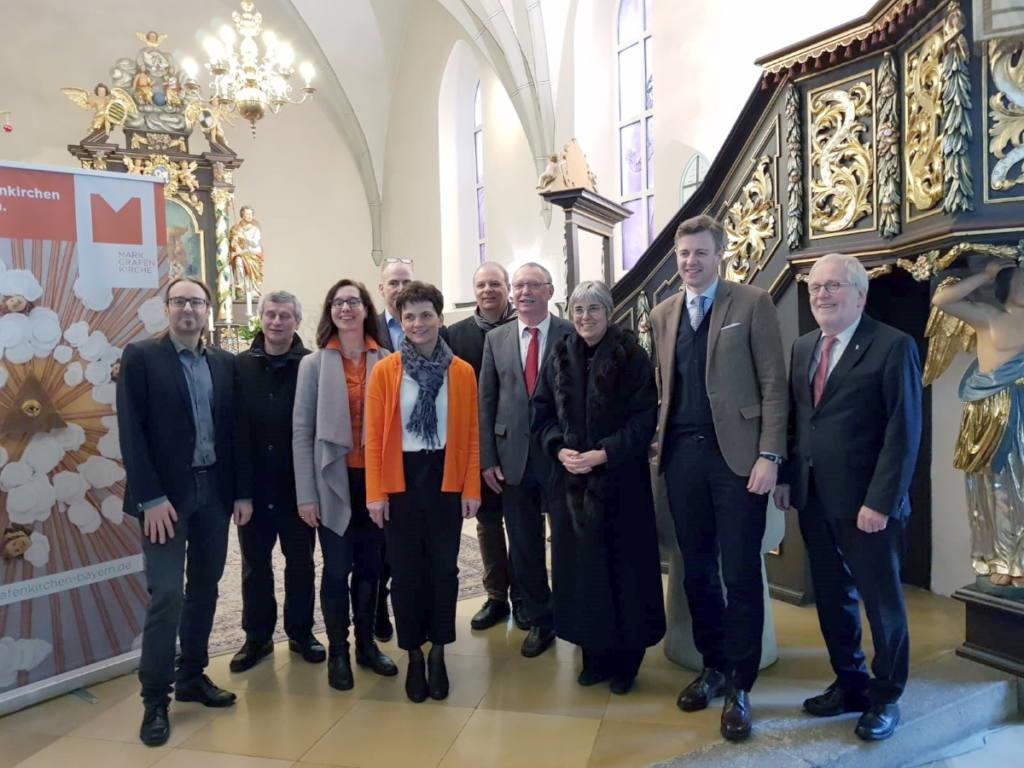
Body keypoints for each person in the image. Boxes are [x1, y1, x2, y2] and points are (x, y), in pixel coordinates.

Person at [649, 215, 787, 742]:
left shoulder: (751, 304)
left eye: (700, 253)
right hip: (682, 459)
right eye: (684, 254)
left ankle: (741, 686)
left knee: (741, 573)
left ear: (719, 255)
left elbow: (773, 385)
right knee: (697, 571)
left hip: (738, 462)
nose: (690, 262)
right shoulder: (662, 313)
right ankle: (713, 667)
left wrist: (770, 454)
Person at [774, 252, 922, 741]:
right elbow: (801, 423)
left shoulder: (892, 345)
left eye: (833, 285)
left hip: (869, 505)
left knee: (882, 605)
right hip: (814, 497)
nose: (821, 294)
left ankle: (886, 697)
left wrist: (881, 501)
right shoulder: (802, 347)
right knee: (833, 597)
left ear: (860, 294)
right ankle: (850, 682)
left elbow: (904, 432)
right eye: (816, 286)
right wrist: (786, 477)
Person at [117, 278, 244, 747]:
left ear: (208, 310)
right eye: (180, 301)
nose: (188, 309)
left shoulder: (225, 364)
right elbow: (132, 432)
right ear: (167, 309)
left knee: (207, 587)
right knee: (167, 592)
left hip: (214, 491)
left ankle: (192, 674)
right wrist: (150, 498)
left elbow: (234, 435)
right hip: (164, 500)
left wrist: (240, 493)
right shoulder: (141, 357)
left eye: (196, 301)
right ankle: (155, 699)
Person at [532, 280, 665, 695]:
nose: (585, 316)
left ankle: (627, 661)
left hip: (620, 483)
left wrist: (604, 454)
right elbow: (541, 412)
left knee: (623, 572)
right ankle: (593, 654)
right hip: (571, 486)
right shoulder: (558, 353)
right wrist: (558, 450)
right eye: (578, 309)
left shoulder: (631, 354)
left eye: (593, 308)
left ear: (609, 312)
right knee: (581, 575)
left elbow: (644, 419)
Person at [364, 281, 481, 702]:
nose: (417, 323)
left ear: (439, 317)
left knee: (444, 571)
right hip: (401, 479)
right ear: (399, 320)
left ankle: (439, 652)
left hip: (445, 476)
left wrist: (472, 487)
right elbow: (374, 437)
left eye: (425, 314)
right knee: (406, 571)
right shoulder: (385, 370)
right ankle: (413, 652)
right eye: (409, 316)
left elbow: (470, 435)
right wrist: (376, 494)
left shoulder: (462, 372)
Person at [292, 279, 399, 690]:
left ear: (366, 308)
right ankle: (339, 651)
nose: (346, 309)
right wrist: (305, 494)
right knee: (337, 569)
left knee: (371, 568)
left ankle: (366, 645)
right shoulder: (314, 364)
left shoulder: (388, 359)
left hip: (375, 481)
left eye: (353, 301)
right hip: (331, 480)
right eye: (338, 303)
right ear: (330, 311)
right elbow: (301, 433)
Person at [479, 262, 574, 657]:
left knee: (568, 540)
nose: (524, 292)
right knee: (523, 542)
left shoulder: (570, 332)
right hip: (512, 456)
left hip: (560, 456)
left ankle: (573, 615)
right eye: (518, 286)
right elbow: (486, 400)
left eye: (534, 285)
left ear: (550, 291)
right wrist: (487, 458)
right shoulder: (497, 339)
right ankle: (539, 618)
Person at [230, 291, 325, 674]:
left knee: (300, 563)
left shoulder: (311, 365)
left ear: (297, 322)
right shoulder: (239, 367)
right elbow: (233, 433)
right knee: (255, 566)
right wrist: (240, 492)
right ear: (261, 319)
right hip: (253, 488)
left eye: (285, 315)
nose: (276, 321)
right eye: (270, 314)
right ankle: (257, 637)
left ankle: (301, 632)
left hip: (296, 488)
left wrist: (313, 491)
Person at [931, 260, 1024, 588]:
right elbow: (942, 301)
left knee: (1021, 490)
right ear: (1006, 286)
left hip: (1022, 409)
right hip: (992, 409)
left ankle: (1020, 559)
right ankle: (1001, 558)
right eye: (1019, 281)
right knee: (994, 489)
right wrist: (985, 274)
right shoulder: (989, 316)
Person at [446, 262, 523, 630]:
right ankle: (496, 598)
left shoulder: (522, 328)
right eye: (481, 284)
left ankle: (525, 597)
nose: (488, 290)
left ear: (507, 288)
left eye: (496, 283)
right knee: (488, 524)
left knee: (523, 525)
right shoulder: (455, 334)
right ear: (473, 290)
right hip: (476, 446)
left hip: (519, 445)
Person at [373, 257, 416, 642]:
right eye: (393, 282)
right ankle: (377, 610)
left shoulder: (429, 327)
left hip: (419, 458)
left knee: (405, 547)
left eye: (406, 281)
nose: (400, 288)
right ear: (381, 288)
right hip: (379, 451)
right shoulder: (367, 330)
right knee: (376, 547)